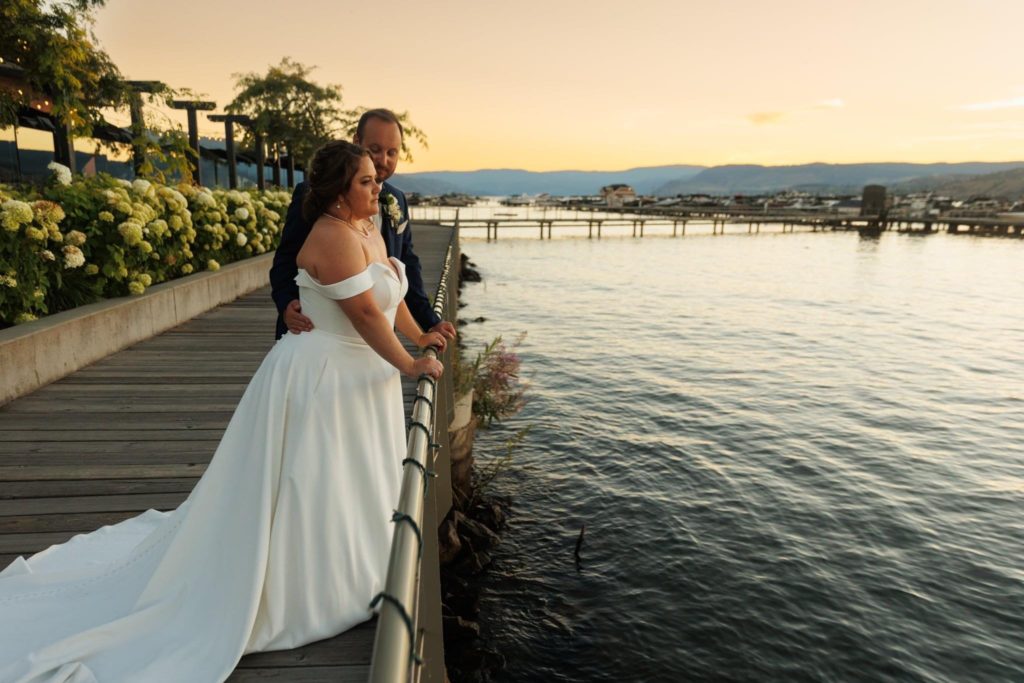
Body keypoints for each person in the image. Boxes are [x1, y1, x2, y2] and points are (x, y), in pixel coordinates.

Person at [0, 141, 444, 682]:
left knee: (353, 480)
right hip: (323, 376)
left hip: (360, 379)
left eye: (378, 179)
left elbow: (392, 296)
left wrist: (422, 335)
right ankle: (312, 589)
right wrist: (410, 366)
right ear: (336, 191)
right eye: (367, 181)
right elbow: (367, 314)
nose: (379, 188)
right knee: (312, 483)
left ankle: (364, 569)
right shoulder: (330, 235)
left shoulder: (368, 227)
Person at [271, 107, 457, 343]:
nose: (383, 160)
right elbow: (286, 259)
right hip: (317, 334)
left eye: (392, 152)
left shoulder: (396, 200)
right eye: (376, 150)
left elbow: (407, 266)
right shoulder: (315, 193)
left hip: (379, 342)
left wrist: (431, 321)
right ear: (357, 142)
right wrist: (287, 304)